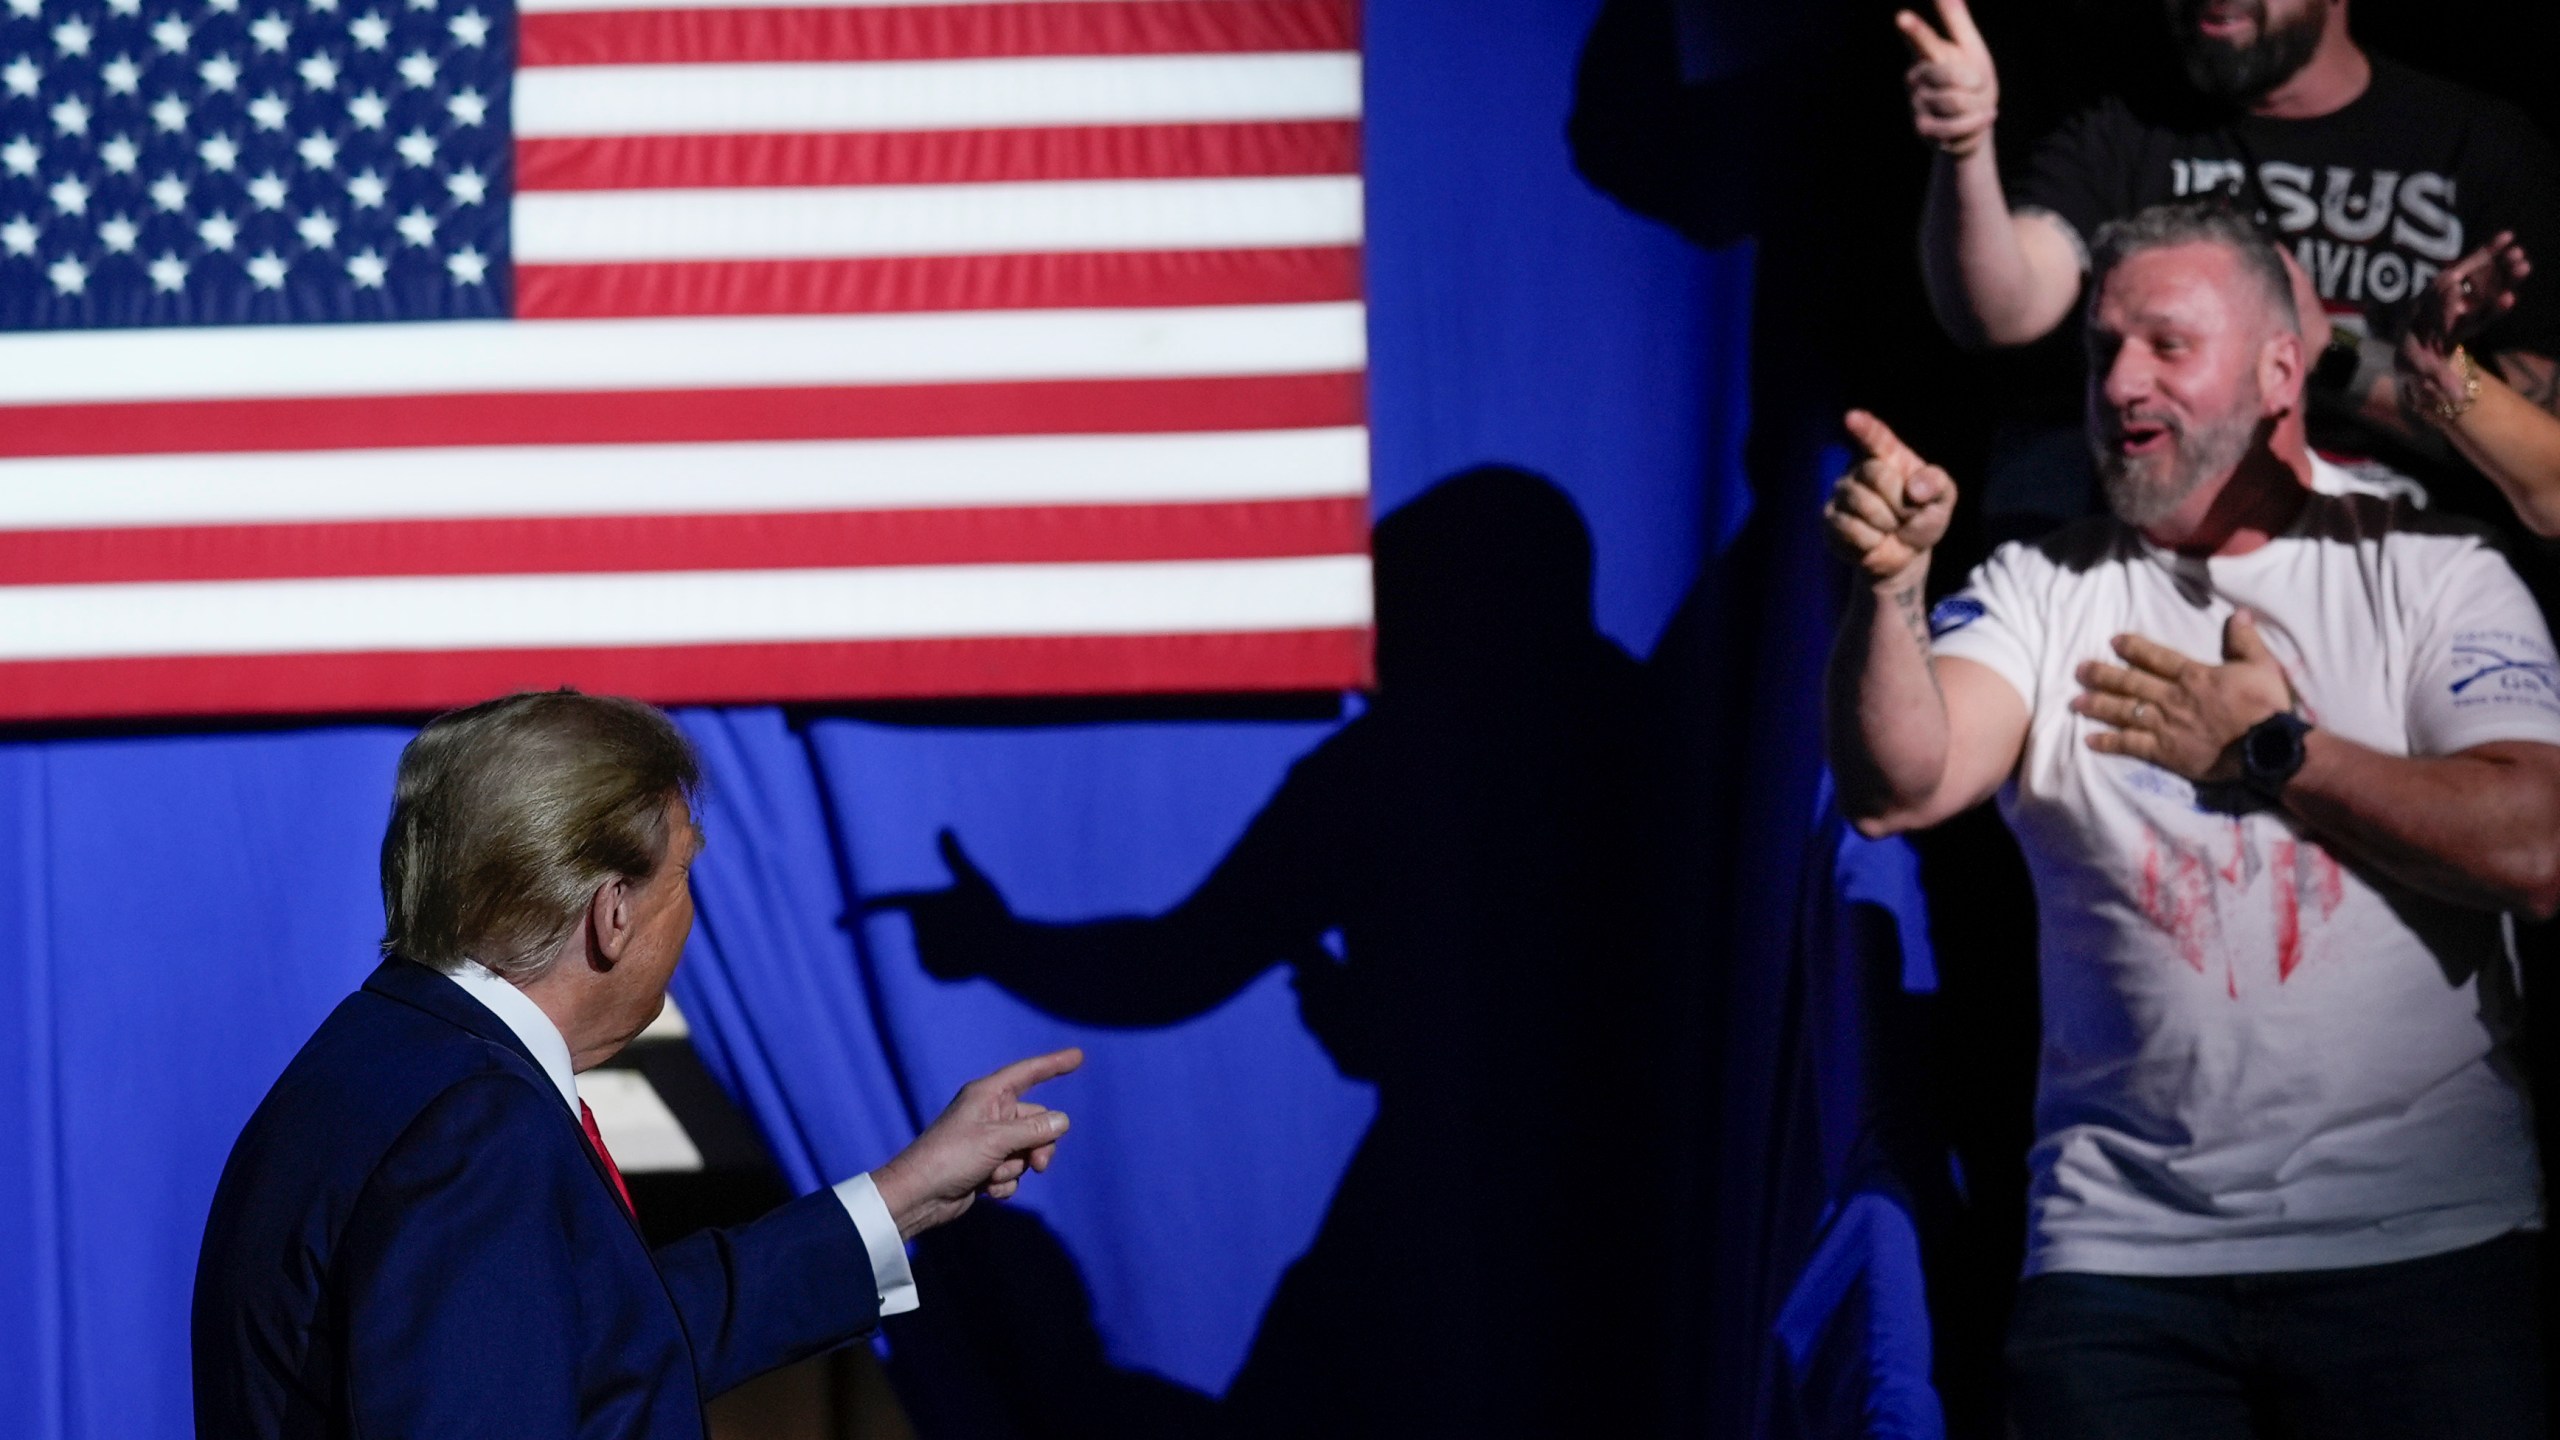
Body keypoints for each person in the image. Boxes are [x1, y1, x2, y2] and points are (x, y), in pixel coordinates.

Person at [1825, 201, 2560, 1434]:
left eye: (2166, 345)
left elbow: (2536, 847)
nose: (2119, 382)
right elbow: (1900, 783)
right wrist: (1893, 594)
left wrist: (2275, 755)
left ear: (2282, 369)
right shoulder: (2041, 584)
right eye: (2103, 348)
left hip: (2427, 1252)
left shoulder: (2431, 567)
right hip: (2121, 1275)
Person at [193, 690, 1080, 1440]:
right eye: (684, 870)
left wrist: (906, 1192)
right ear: (613, 912)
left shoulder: (372, 1058)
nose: (688, 908)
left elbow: (605, 1344)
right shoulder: (475, 1130)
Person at [1900, 0, 2560, 527]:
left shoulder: (2476, 147)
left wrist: (2335, 358)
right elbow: (2000, 307)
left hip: (2403, 556)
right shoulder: (2129, 133)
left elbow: (2545, 457)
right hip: (2174, 557)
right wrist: (1965, 149)